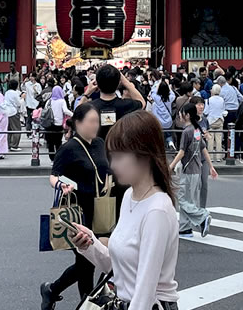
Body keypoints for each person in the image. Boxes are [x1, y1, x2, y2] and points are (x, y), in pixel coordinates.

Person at [71, 111, 180, 310]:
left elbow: (145, 291)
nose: (112, 165)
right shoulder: (130, 195)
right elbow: (117, 267)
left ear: (144, 155)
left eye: (119, 157)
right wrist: (89, 244)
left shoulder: (157, 211)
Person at [40, 103, 112, 310]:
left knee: (94, 261)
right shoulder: (69, 148)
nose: (95, 125)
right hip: (79, 211)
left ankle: (52, 290)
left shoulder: (100, 143)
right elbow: (53, 177)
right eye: (91, 121)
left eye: (97, 121)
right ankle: (86, 304)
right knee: (86, 264)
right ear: (78, 123)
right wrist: (62, 185)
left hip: (102, 207)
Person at [169, 103, 217, 238]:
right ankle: (185, 228)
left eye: (181, 113)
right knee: (188, 199)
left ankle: (202, 216)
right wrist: (211, 166)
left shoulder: (187, 131)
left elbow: (182, 152)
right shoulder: (196, 129)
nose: (179, 115)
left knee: (182, 199)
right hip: (196, 169)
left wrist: (170, 166)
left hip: (188, 170)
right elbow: (203, 148)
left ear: (187, 115)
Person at [84, 64, 145, 139]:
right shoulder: (127, 105)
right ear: (119, 83)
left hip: (97, 149)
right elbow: (142, 102)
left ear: (98, 84)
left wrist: (87, 94)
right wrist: (125, 82)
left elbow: (77, 112)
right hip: (120, 148)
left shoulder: (89, 107)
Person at [44, 85, 71, 161]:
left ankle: (52, 159)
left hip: (49, 124)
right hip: (58, 124)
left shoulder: (49, 101)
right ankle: (58, 158)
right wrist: (74, 115)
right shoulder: (62, 101)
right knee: (58, 142)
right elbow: (65, 110)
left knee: (50, 143)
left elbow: (45, 110)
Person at [203, 84, 226, 159]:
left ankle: (210, 157)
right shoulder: (222, 100)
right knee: (219, 139)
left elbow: (206, 112)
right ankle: (218, 157)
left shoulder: (208, 100)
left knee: (210, 139)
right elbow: (223, 110)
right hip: (220, 121)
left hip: (211, 121)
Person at [151, 80, 176, 149]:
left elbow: (152, 91)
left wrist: (157, 85)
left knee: (159, 135)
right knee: (168, 134)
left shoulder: (156, 98)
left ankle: (160, 147)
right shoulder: (170, 98)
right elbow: (172, 93)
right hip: (168, 120)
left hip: (158, 121)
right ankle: (170, 143)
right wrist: (168, 86)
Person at [3, 79, 25, 151]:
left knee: (9, 129)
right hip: (14, 112)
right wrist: (22, 98)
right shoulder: (15, 93)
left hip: (7, 112)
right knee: (17, 128)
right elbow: (19, 103)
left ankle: (8, 144)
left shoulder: (7, 93)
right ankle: (14, 145)